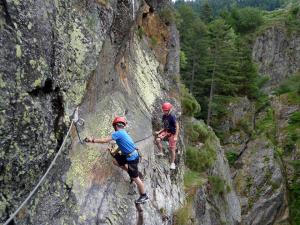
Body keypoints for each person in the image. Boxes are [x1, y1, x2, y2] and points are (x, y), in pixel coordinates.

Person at [85, 116, 149, 204]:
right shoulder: (123, 133)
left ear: (115, 126)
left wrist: (92, 140)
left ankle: (144, 196)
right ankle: (131, 173)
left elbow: (104, 140)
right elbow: (120, 145)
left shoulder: (118, 133)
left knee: (136, 179)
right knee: (115, 161)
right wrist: (114, 152)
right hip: (130, 155)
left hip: (132, 158)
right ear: (123, 126)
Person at [155, 102, 179, 170]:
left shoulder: (172, 116)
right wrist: (159, 132)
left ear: (169, 110)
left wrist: (176, 136)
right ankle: (161, 152)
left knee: (172, 149)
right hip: (166, 131)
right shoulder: (164, 116)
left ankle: (172, 163)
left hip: (172, 134)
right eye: (164, 110)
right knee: (157, 140)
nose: (164, 111)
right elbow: (165, 126)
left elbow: (177, 126)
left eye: (166, 110)